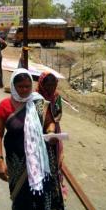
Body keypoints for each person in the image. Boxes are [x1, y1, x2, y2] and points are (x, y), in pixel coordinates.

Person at [0, 68, 63, 210]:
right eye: (20, 86)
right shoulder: (5, 106)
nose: (25, 90)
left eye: (27, 86)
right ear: (13, 85)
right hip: (16, 160)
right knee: (20, 200)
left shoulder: (38, 102)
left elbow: (50, 122)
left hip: (39, 160)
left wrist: (50, 133)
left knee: (40, 200)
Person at [37, 71, 67, 203]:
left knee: (54, 159)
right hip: (39, 130)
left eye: (53, 85)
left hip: (53, 129)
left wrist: (54, 120)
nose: (51, 88)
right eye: (48, 85)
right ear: (42, 84)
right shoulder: (36, 97)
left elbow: (59, 112)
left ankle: (54, 192)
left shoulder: (56, 96)